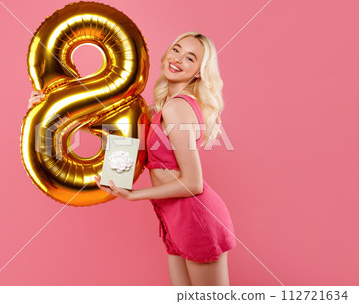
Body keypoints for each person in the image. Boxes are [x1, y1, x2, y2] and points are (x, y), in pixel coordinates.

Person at [28, 32, 237, 286]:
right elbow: (113, 129)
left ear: (198, 73)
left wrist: (133, 195)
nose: (178, 59)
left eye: (190, 58)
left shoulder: (177, 108)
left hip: (196, 218)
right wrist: (51, 110)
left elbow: (194, 183)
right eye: (176, 50)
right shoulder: (162, 108)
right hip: (175, 219)